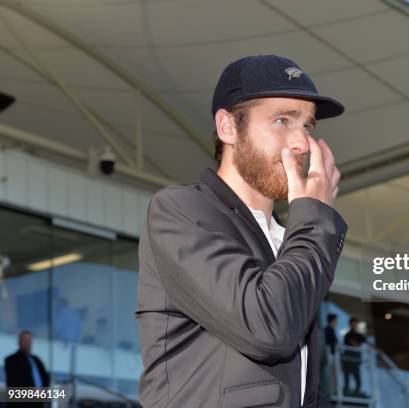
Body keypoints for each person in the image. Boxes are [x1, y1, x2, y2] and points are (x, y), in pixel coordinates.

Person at [136, 55, 347, 408]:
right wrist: (316, 219)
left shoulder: (291, 238)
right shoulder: (180, 210)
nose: (301, 144)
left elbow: (299, 391)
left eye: (308, 127)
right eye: (282, 120)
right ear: (228, 127)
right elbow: (269, 327)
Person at [4, 330, 50, 407]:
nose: (27, 343)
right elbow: (14, 383)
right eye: (25, 340)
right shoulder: (11, 360)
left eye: (29, 340)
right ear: (19, 342)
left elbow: (45, 378)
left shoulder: (36, 360)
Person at [342, 317, 368, 398]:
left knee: (358, 379)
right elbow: (350, 343)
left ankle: (356, 393)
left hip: (355, 360)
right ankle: (346, 392)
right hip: (348, 359)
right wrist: (356, 344)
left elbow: (367, 342)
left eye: (356, 323)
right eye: (353, 323)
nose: (355, 325)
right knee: (347, 378)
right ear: (351, 324)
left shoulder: (358, 335)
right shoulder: (348, 335)